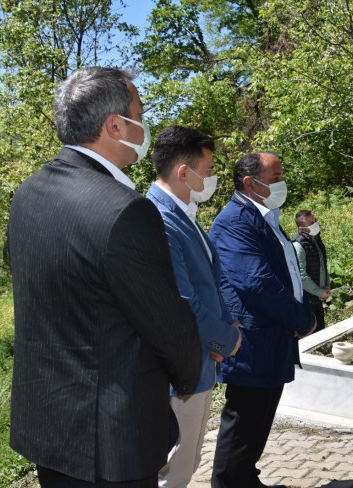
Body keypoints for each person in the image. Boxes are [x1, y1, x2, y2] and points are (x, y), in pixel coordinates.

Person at [7, 67, 202, 487]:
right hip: (112, 440)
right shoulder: (126, 209)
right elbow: (167, 323)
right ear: (115, 126)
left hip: (48, 426)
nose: (144, 126)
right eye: (140, 114)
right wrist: (189, 373)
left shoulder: (28, 193)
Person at [208, 152, 317, 488]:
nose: (282, 183)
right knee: (244, 422)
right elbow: (257, 283)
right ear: (249, 182)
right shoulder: (234, 222)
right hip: (251, 341)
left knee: (258, 421)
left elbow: (283, 272)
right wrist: (302, 318)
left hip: (272, 337)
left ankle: (245, 479)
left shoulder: (263, 216)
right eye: (275, 177)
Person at [146, 126, 242, 488]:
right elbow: (182, 299)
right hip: (181, 370)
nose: (213, 177)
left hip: (201, 360)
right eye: (210, 169)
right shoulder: (158, 218)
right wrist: (225, 340)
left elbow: (210, 282)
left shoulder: (182, 213)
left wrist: (227, 328)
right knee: (174, 469)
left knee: (188, 461)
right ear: (184, 172)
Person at [292, 210, 331, 332]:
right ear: (302, 228)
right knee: (311, 335)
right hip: (307, 301)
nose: (315, 224)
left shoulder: (317, 241)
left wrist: (327, 285)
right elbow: (301, 275)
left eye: (315, 220)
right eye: (311, 222)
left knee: (321, 332)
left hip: (317, 298)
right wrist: (320, 292)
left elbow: (323, 266)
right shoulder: (298, 245)